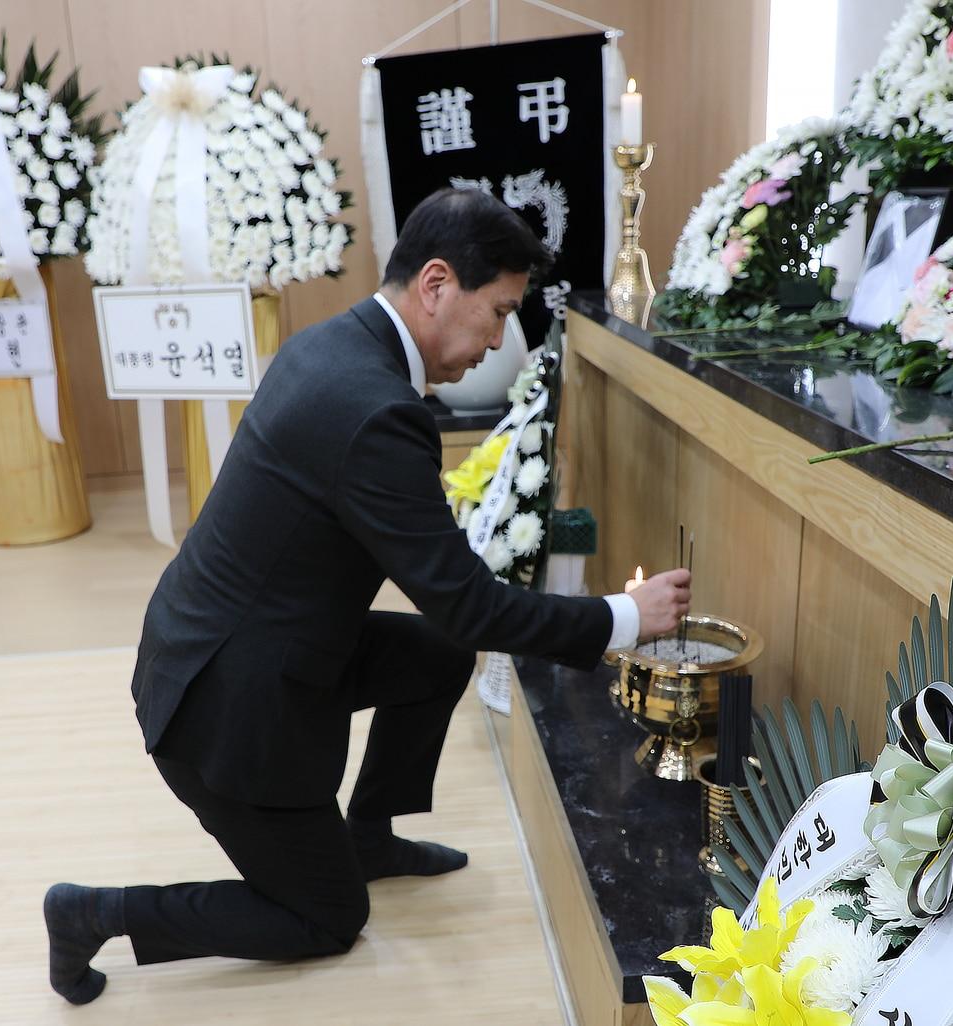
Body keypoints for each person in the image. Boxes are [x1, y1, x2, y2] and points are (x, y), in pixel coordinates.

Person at [42, 188, 691, 1004]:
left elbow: (443, 610)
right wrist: (624, 618)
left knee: (434, 654)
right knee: (325, 917)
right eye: (496, 313)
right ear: (436, 284)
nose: (498, 343)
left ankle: (370, 834)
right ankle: (92, 913)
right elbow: (473, 607)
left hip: (239, 645)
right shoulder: (374, 409)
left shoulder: (334, 345)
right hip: (225, 709)